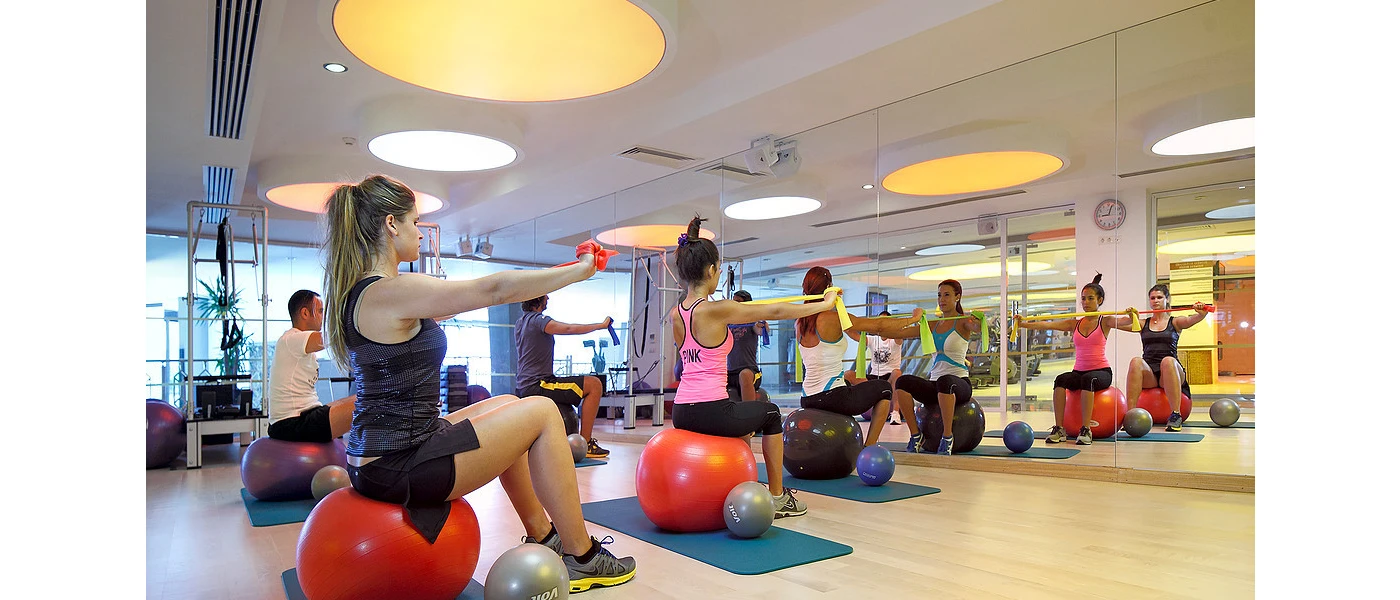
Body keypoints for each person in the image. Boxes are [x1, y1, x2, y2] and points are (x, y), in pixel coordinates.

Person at [322, 175, 635, 593]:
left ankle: (545, 536)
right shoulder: (390, 291)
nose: (420, 232)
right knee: (543, 412)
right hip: (397, 464)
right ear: (391, 224)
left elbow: (472, 296)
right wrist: (580, 271)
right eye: (415, 222)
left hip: (383, 455)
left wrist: (563, 271)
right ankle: (583, 556)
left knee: (506, 405)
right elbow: (493, 289)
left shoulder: (367, 293)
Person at [669, 216, 839, 519]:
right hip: (710, 409)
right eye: (718, 268)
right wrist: (824, 305)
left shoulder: (676, 313)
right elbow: (776, 310)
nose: (718, 273)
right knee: (770, 413)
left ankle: (739, 478)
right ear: (711, 271)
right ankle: (778, 497)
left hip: (682, 409)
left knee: (742, 414)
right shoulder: (716, 309)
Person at [795, 267, 923, 448]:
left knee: (848, 377)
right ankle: (869, 446)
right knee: (885, 388)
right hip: (832, 397)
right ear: (829, 288)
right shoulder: (833, 318)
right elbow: (879, 326)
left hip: (807, 397)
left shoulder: (800, 322)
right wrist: (913, 319)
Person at [1014, 273, 1136, 445]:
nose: (1085, 302)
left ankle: (1086, 429)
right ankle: (1059, 429)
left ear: (1100, 300)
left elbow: (1125, 322)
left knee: (1088, 380)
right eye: (1083, 299)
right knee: (1060, 380)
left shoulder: (1105, 321)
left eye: (1090, 298)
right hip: (1078, 371)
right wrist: (1023, 323)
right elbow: (1047, 324)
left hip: (1101, 372)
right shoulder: (1075, 323)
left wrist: (1131, 315)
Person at [514, 294, 614, 458]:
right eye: (545, 295)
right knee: (594, 385)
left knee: (588, 384)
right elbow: (568, 329)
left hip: (525, 386)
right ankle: (587, 444)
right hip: (539, 384)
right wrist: (601, 326)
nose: (548, 298)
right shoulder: (538, 320)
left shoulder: (520, 322)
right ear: (537, 298)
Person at [893, 280, 980, 455]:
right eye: (939, 295)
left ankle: (947, 437)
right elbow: (898, 333)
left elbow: (976, 327)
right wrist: (912, 320)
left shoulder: (962, 321)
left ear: (957, 297)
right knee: (902, 382)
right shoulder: (932, 325)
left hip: (959, 383)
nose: (942, 299)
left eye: (947, 295)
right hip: (935, 384)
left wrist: (977, 321)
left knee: (945, 381)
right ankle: (916, 435)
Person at [1117, 284, 1210, 432]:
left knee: (1167, 361)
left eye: (1159, 297)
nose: (1155, 300)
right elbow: (1115, 324)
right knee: (1136, 361)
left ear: (1167, 299)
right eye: (1152, 298)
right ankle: (1131, 414)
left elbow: (1192, 319)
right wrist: (1129, 316)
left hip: (1171, 371)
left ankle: (1176, 415)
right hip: (1151, 375)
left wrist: (1201, 313)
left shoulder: (1175, 322)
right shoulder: (1143, 323)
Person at [267, 290, 356, 442]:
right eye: (320, 311)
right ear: (305, 313)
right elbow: (331, 338)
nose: (323, 316)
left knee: (360, 397)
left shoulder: (301, 345)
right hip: (290, 423)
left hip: (307, 414)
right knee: (368, 402)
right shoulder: (290, 339)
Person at [725, 290, 769, 401]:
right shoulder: (728, 323)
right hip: (730, 372)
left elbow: (760, 330)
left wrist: (763, 326)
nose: (735, 304)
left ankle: (749, 410)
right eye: (734, 301)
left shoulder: (752, 321)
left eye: (738, 302)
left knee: (744, 375)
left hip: (750, 371)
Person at [863, 310, 904, 425]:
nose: (882, 324)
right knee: (849, 375)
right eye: (880, 321)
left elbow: (900, 337)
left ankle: (895, 413)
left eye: (885, 322)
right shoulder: (873, 339)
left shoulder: (895, 339)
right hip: (874, 377)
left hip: (889, 378)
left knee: (897, 373)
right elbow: (854, 335)